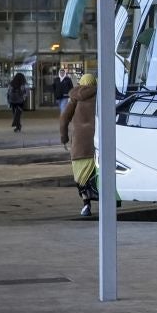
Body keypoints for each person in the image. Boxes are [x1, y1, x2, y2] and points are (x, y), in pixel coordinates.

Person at [59, 72, 99, 217]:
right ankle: (103, 201)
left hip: (80, 145)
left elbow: (64, 119)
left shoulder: (74, 98)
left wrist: (64, 138)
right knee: (97, 174)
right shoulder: (99, 96)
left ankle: (86, 205)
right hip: (97, 143)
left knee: (81, 175)